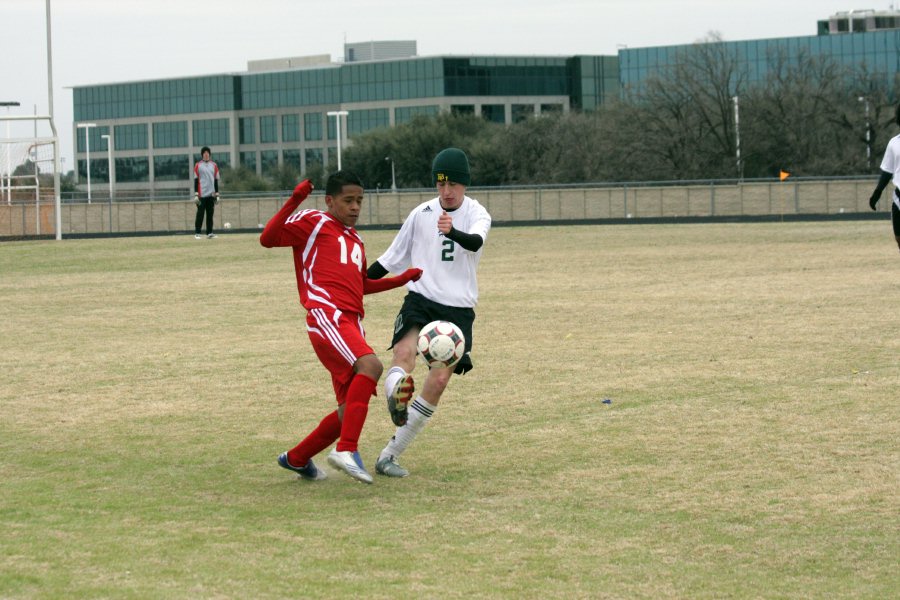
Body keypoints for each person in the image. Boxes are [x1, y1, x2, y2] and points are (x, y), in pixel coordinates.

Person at [260, 171, 422, 484]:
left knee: (348, 410)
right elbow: (268, 238)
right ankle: (347, 449)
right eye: (348, 200)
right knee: (372, 365)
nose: (355, 207)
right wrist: (295, 200)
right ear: (330, 200)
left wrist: (402, 279)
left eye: (359, 200)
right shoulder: (314, 221)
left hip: (350, 322)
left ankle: (296, 458)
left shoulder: (356, 240)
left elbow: (359, 285)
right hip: (326, 314)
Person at [367, 147, 492, 478]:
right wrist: (357, 281)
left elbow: (475, 243)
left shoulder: (478, 213)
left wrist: (452, 231)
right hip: (420, 299)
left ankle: (389, 454)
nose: (446, 191)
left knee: (437, 381)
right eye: (440, 184)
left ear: (464, 184)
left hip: (458, 310)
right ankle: (396, 397)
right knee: (404, 354)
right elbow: (390, 259)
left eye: (452, 184)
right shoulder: (420, 214)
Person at [868, 103, 900, 254]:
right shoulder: (894, 143)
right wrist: (877, 192)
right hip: (899, 199)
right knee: (899, 238)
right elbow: (887, 171)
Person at [193, 146, 220, 239]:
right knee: (200, 214)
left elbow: (216, 181)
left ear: (209, 154)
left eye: (207, 152)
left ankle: (209, 233)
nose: (206, 154)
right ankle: (197, 232)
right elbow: (196, 180)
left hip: (211, 194)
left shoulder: (214, 165)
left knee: (210, 214)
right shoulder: (198, 165)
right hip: (201, 194)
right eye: (204, 152)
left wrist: (217, 194)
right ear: (202, 155)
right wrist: (196, 193)